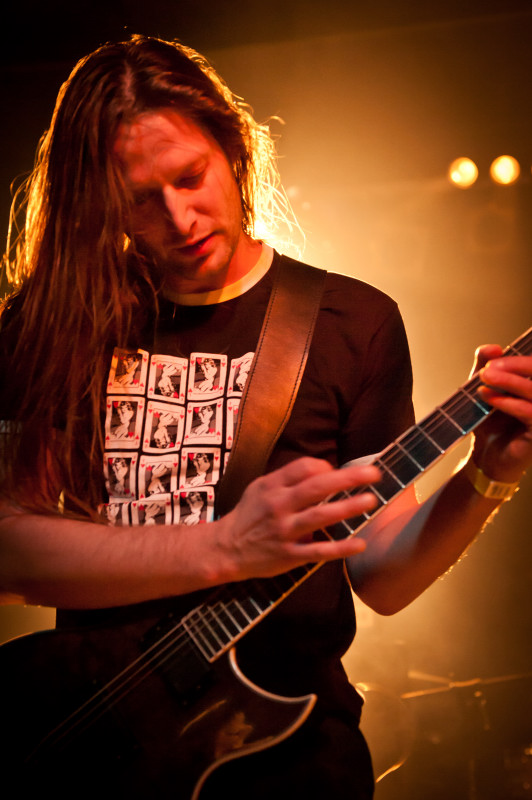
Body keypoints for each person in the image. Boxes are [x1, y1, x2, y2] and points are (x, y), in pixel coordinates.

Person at [0, 34, 530, 800]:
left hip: (285, 755)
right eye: (141, 200)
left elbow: (381, 574)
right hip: (90, 744)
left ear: (234, 149)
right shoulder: (51, 324)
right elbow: (10, 549)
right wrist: (226, 546)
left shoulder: (353, 320)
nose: (180, 217)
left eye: (191, 177)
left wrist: (487, 474)